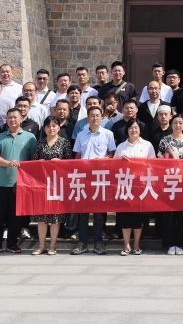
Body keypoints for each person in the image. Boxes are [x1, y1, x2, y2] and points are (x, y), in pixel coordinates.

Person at [0, 108, 37, 255]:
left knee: (16, 216)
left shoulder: (30, 137)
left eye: (15, 117)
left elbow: (33, 159)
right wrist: (8, 163)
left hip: (20, 184)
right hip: (0, 183)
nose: (12, 120)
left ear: (21, 119)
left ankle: (12, 243)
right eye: (9, 117)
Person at [71, 106, 117, 255]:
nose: (95, 118)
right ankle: (82, 243)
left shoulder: (108, 134)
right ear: (87, 118)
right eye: (92, 115)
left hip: (100, 177)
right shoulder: (81, 135)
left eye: (98, 115)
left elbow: (112, 154)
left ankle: (98, 243)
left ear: (102, 118)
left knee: (99, 213)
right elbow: (77, 156)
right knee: (82, 213)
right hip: (84, 177)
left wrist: (102, 159)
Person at [27, 116, 72, 256]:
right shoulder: (40, 143)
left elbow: (70, 163)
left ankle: (53, 245)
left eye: (54, 125)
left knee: (55, 216)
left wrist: (60, 162)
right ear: (44, 128)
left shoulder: (64, 143)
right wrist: (39, 162)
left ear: (59, 127)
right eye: (48, 126)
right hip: (42, 184)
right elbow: (33, 163)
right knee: (41, 216)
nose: (51, 128)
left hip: (58, 184)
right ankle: (41, 246)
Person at [113, 120, 155, 256]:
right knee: (124, 215)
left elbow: (153, 164)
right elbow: (113, 165)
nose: (133, 130)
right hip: (124, 185)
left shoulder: (147, 145)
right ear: (127, 130)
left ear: (140, 130)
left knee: (138, 217)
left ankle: (136, 244)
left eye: (136, 127)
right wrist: (120, 160)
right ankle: (126, 245)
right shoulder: (121, 146)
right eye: (131, 128)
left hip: (140, 185)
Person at [157, 115, 183, 255]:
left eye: (180, 123)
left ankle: (180, 244)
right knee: (169, 214)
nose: (178, 125)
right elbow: (159, 160)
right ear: (171, 124)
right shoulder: (165, 140)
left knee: (181, 214)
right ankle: (169, 244)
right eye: (175, 123)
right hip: (169, 180)